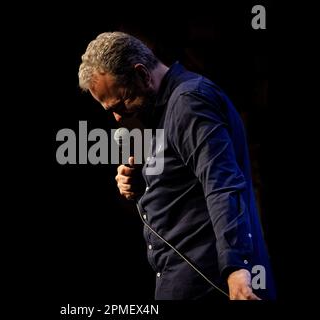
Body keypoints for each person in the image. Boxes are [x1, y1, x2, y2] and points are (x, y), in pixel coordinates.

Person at [78, 32, 276, 300]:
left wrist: (237, 268)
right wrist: (140, 184)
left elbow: (222, 184)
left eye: (121, 101)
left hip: (211, 284)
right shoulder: (164, 110)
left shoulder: (189, 102)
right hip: (184, 281)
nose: (117, 116)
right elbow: (184, 184)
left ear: (142, 74)